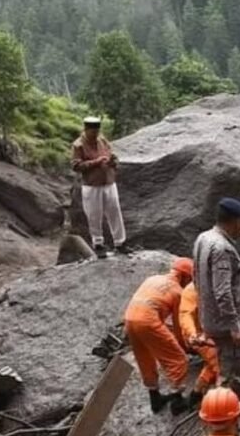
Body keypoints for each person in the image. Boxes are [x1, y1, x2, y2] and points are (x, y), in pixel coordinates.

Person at [192, 198, 240, 401]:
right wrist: (234, 327)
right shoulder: (222, 249)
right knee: (234, 377)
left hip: (228, 321)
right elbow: (223, 291)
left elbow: (196, 276)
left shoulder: (203, 238)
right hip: (228, 327)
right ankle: (231, 416)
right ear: (234, 222)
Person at [124, 257, 195, 413]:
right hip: (147, 321)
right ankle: (177, 401)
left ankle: (154, 397)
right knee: (178, 359)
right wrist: (185, 347)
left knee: (145, 357)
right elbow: (179, 325)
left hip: (129, 318)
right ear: (184, 276)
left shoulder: (152, 278)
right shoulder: (178, 292)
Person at [71, 116, 130, 258]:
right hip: (92, 185)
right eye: (93, 132)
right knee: (94, 215)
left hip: (109, 182)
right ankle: (98, 244)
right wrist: (96, 162)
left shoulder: (102, 140)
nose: (95, 134)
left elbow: (112, 156)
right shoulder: (78, 145)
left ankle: (120, 243)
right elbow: (76, 165)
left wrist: (112, 161)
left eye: (97, 131)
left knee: (115, 212)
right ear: (86, 130)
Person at [178, 279, 221, 395]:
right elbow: (185, 315)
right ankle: (221, 401)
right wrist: (193, 335)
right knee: (219, 365)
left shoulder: (217, 286)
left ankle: (194, 396)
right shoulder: (192, 291)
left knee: (211, 365)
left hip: (213, 333)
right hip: (199, 336)